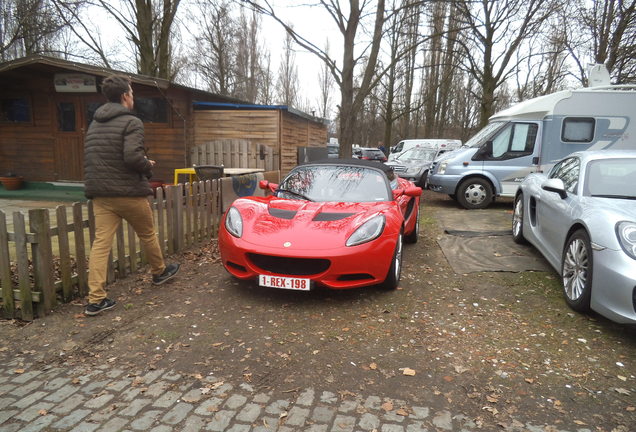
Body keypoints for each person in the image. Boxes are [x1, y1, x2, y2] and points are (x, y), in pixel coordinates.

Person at [83, 75, 180, 316]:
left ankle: (96, 299)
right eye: (132, 94)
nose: (133, 98)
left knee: (100, 244)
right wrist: (148, 164)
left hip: (100, 193)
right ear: (125, 96)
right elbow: (132, 157)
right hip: (127, 192)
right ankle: (159, 272)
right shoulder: (131, 122)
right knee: (147, 233)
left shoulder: (94, 123)